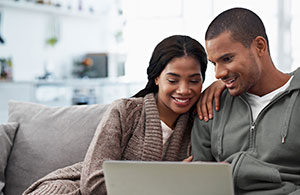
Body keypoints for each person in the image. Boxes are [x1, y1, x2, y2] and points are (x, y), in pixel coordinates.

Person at [23, 34, 208, 195]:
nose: (184, 90)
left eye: (194, 80)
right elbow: (93, 183)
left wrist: (219, 85)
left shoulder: (201, 122)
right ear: (157, 78)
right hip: (74, 189)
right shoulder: (126, 111)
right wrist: (169, 180)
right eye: (173, 80)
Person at [191, 7, 300, 195]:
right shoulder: (212, 106)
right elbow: (199, 181)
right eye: (214, 63)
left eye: (227, 58)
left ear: (259, 46)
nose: (219, 73)